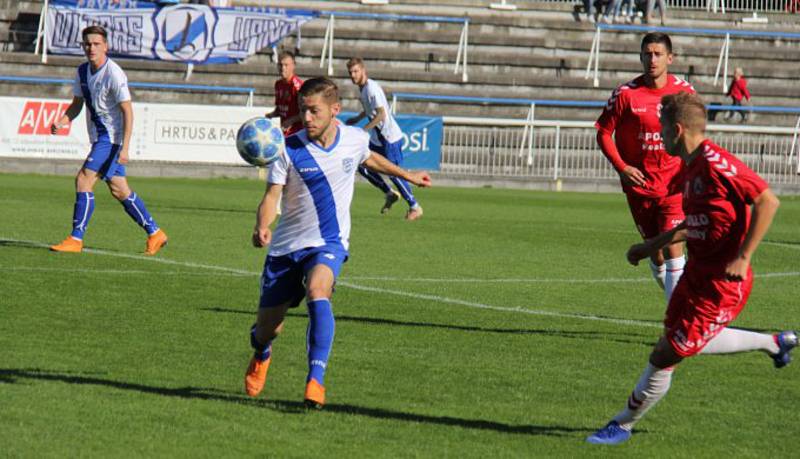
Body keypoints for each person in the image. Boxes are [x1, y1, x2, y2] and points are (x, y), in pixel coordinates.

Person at [587, 92, 797, 445]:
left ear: (678, 130)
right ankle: (774, 343)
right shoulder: (691, 167)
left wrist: (744, 256)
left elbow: (767, 200)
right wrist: (651, 245)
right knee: (680, 343)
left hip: (721, 284)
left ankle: (622, 424)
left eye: (663, 129)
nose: (659, 136)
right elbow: (696, 223)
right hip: (695, 276)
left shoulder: (717, 163)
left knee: (665, 353)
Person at [243, 77, 431, 409]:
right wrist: (262, 226)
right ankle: (262, 351)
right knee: (268, 329)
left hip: (328, 242)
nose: (307, 118)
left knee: (319, 290)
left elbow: (370, 158)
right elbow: (271, 197)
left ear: (335, 110)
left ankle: (315, 381)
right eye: (303, 111)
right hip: (286, 247)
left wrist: (407, 175)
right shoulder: (288, 148)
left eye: (314, 111)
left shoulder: (354, 139)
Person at [49, 25, 167, 255]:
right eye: (87, 44)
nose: (91, 48)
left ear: (106, 46)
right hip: (100, 138)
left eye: (96, 44)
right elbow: (77, 104)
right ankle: (155, 233)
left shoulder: (114, 73)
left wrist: (125, 147)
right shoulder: (82, 72)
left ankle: (76, 238)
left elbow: (127, 111)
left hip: (110, 139)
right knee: (120, 190)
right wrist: (62, 120)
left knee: (83, 180)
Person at [596, 33, 694, 304]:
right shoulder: (625, 95)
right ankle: (677, 306)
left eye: (658, 54)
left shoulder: (684, 93)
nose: (652, 59)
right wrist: (622, 167)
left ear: (670, 58)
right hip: (639, 187)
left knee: (674, 248)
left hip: (674, 185)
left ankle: (676, 327)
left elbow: (695, 134)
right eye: (647, 54)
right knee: (657, 254)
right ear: (640, 57)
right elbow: (603, 133)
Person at [345, 57, 424, 220]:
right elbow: (370, 110)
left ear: (363, 70)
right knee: (362, 164)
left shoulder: (371, 88)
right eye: (350, 72)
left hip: (389, 137)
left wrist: (364, 130)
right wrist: (357, 119)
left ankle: (415, 206)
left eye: (355, 71)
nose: (353, 75)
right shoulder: (363, 88)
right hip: (378, 138)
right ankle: (390, 193)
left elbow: (381, 114)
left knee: (394, 173)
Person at [265, 51, 303, 136]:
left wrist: (291, 121)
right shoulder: (278, 84)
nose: (283, 68)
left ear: (293, 66)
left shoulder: (297, 86)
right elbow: (281, 109)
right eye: (280, 65)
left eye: (286, 65)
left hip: (297, 133)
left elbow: (305, 112)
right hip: (284, 132)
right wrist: (271, 115)